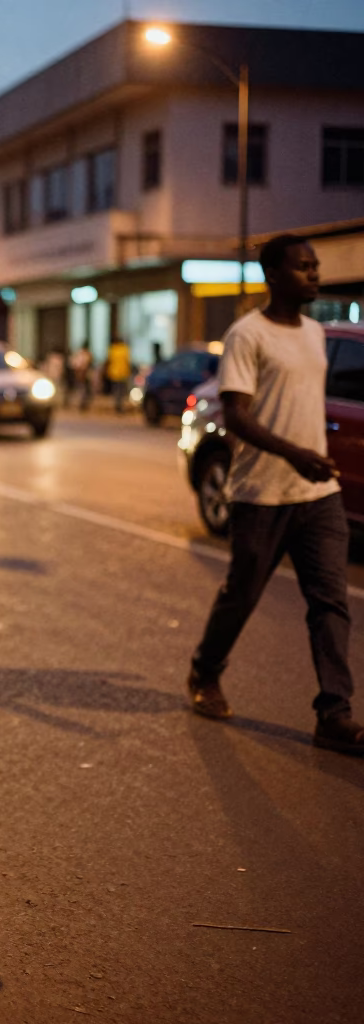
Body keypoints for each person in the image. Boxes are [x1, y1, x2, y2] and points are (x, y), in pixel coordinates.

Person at [187, 233, 362, 756]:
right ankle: (205, 670)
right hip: (261, 493)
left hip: (319, 493)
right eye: (303, 267)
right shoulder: (248, 335)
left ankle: (334, 713)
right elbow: (236, 414)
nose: (314, 274)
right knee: (242, 594)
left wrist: (311, 457)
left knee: (330, 601)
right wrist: (294, 453)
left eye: (316, 266)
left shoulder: (314, 333)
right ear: (274, 275)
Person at [105, 336, 132, 413]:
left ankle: (117, 405)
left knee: (116, 390)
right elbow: (128, 361)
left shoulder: (112, 349)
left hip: (114, 373)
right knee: (122, 391)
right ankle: (120, 405)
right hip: (123, 372)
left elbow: (109, 361)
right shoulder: (125, 349)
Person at [68, 342, 93, 411]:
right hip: (82, 373)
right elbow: (76, 364)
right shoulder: (84, 354)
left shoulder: (80, 353)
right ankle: (81, 404)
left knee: (83, 389)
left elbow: (74, 363)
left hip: (82, 373)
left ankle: (82, 403)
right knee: (82, 389)